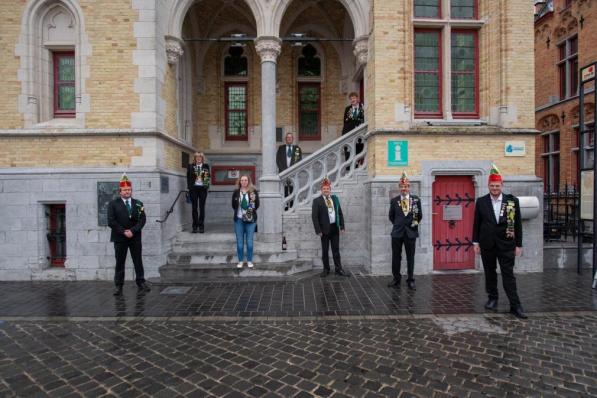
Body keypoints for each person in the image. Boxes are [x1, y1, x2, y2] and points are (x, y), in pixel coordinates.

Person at [473, 164, 527, 319]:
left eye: (497, 185)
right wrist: (475, 242)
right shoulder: (481, 201)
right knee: (490, 273)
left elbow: (517, 224)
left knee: (508, 275)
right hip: (487, 244)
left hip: (506, 244)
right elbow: (476, 223)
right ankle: (492, 298)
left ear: (502, 185)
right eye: (492, 185)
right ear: (488, 186)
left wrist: (519, 245)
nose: (495, 188)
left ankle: (515, 305)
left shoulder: (512, 201)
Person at [107, 173, 149, 296]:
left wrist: (133, 231)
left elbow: (142, 220)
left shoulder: (138, 203)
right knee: (120, 262)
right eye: (125, 190)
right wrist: (124, 231)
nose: (127, 192)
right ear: (120, 191)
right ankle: (118, 286)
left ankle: (141, 282)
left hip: (135, 237)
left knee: (137, 260)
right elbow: (111, 221)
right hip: (120, 238)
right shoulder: (113, 204)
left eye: (129, 190)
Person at [388, 171, 422, 290]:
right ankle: (396, 279)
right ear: (399, 187)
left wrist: (412, 225)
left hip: (410, 233)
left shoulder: (416, 200)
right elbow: (391, 216)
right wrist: (399, 225)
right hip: (397, 233)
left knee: (410, 257)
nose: (404, 189)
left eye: (406, 186)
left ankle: (410, 280)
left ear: (409, 187)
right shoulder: (394, 201)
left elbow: (419, 216)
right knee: (396, 257)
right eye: (402, 187)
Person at [311, 177, 349, 277]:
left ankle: (338, 269)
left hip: (334, 228)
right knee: (325, 250)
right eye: (324, 189)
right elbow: (314, 217)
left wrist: (342, 226)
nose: (326, 190)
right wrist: (318, 230)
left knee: (336, 250)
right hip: (324, 230)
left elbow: (340, 213)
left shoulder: (335, 199)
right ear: (321, 190)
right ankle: (326, 269)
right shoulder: (317, 201)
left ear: (330, 190)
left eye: (327, 189)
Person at [232, 174, 260, 269]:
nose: (244, 182)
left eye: (245, 180)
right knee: (240, 242)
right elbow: (233, 205)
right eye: (242, 180)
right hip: (239, 220)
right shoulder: (236, 192)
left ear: (248, 181)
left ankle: (249, 260)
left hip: (250, 220)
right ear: (240, 182)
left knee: (249, 242)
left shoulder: (253, 192)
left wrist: (249, 211)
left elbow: (257, 204)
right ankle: (240, 261)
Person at [276, 132, 303, 209]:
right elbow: (278, 160)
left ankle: (291, 206)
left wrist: (292, 171)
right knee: (284, 190)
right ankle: (285, 206)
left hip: (293, 173)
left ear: (293, 139)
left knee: (292, 189)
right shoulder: (281, 148)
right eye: (287, 137)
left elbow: (299, 160)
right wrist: (284, 171)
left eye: (290, 137)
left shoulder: (297, 149)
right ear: (285, 139)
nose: (289, 139)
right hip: (283, 173)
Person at [186, 152, 210, 233]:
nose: (199, 159)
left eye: (200, 157)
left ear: (202, 159)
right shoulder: (190, 166)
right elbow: (188, 178)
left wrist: (206, 186)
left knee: (202, 208)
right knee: (194, 208)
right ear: (195, 158)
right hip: (194, 189)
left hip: (203, 189)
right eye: (197, 157)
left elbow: (207, 177)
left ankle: (201, 226)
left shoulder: (205, 166)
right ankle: (195, 226)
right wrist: (189, 188)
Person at [342, 92, 365, 164]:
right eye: (351, 99)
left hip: (359, 133)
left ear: (357, 99)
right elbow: (345, 122)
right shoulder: (347, 109)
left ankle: (358, 164)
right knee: (348, 151)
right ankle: (348, 167)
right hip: (349, 132)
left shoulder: (362, 107)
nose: (352, 100)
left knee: (359, 150)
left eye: (354, 98)